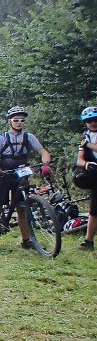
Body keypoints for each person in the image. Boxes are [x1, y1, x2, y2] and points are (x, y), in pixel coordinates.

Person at [0, 106, 52, 252]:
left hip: (21, 174)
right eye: (16, 120)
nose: (19, 122)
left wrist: (46, 164)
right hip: (4, 174)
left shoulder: (29, 137)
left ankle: (26, 240)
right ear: (10, 121)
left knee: (22, 209)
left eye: (22, 120)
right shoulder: (2, 138)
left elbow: (43, 152)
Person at [74, 105, 97, 250]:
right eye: (89, 121)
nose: (93, 123)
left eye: (95, 120)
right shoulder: (86, 136)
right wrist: (86, 164)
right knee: (94, 210)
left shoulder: (86, 140)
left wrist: (88, 145)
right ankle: (88, 241)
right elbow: (79, 160)